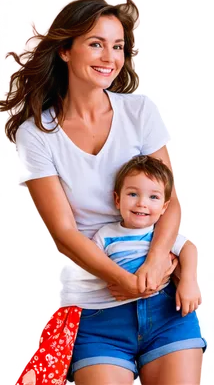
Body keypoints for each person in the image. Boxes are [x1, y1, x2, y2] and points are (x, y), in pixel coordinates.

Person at [0, 0, 204, 384]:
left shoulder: (139, 110)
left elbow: (171, 201)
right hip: (98, 310)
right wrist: (123, 280)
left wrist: (157, 260)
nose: (110, 57)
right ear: (65, 50)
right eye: (96, 44)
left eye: (118, 46)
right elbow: (63, 233)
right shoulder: (37, 134)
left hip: (166, 304)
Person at [60, 154, 206, 383]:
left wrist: (188, 280)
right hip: (105, 323)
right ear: (117, 200)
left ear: (164, 206)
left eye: (153, 197)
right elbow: (88, 264)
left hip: (167, 316)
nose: (142, 203)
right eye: (133, 194)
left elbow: (189, 248)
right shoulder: (106, 236)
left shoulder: (161, 234)